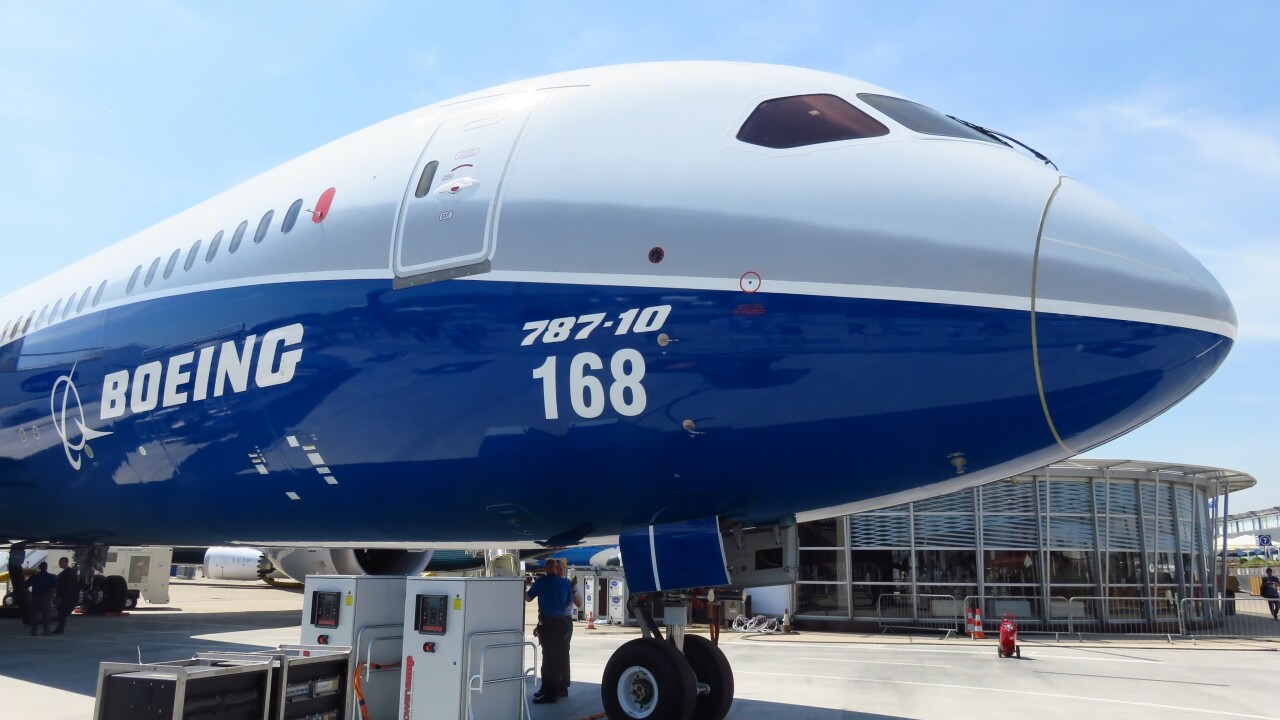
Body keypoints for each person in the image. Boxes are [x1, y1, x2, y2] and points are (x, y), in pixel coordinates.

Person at [525, 558, 573, 704]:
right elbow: (569, 603)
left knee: (548, 658)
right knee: (558, 657)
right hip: (561, 623)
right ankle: (557, 688)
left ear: (546, 569)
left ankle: (550, 692)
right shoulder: (565, 583)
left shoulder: (541, 582)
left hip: (547, 623)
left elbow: (528, 598)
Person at [25, 561, 57, 636]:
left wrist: (29, 594)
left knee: (34, 615)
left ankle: (33, 631)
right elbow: (56, 586)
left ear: (39, 568)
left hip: (35, 597)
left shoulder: (34, 576)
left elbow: (25, 585)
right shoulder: (50, 577)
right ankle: (46, 631)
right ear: (46, 568)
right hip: (45, 597)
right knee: (45, 615)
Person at [6, 543, 31, 626]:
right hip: (20, 590)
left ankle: (27, 620)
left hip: (20, 590)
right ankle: (27, 620)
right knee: (15, 567)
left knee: (15, 566)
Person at [53, 557, 78, 635]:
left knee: (62, 614)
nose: (59, 564)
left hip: (64, 598)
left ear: (65, 562)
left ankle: (60, 629)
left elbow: (65, 587)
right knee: (62, 614)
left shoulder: (67, 574)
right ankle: (60, 628)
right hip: (66, 597)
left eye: (61, 562)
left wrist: (60, 597)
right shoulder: (69, 573)